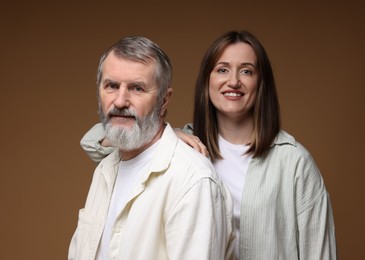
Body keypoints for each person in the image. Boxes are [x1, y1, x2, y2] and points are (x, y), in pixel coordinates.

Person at [80, 31, 337, 259]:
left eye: (246, 71)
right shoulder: (187, 147)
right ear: (207, 81)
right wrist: (167, 134)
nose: (233, 81)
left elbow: (319, 250)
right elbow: (97, 142)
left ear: (262, 83)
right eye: (222, 70)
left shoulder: (293, 162)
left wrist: (164, 133)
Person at [68, 36, 235, 260]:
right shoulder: (105, 170)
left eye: (137, 88)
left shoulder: (192, 180)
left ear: (164, 100)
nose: (120, 101)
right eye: (112, 86)